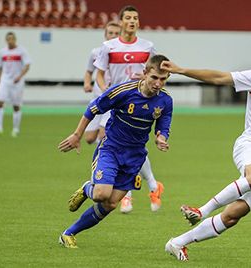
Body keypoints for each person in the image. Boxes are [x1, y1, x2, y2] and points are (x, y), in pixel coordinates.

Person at [58, 55, 173, 248]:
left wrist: (161, 138)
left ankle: (68, 233)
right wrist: (77, 134)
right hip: (111, 149)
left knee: (110, 204)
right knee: (101, 194)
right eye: (154, 77)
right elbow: (93, 108)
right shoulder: (124, 91)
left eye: (163, 79)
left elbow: (163, 125)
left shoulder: (165, 101)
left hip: (135, 157)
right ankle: (88, 188)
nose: (158, 83)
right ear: (145, 73)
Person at [161, 60, 251, 261]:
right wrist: (181, 69)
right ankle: (202, 210)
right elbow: (219, 77)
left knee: (234, 215)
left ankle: (177, 242)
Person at [94, 5, 163, 213]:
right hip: (116, 103)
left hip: (139, 104)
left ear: (138, 23)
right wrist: (105, 90)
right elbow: (99, 73)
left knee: (132, 147)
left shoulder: (148, 46)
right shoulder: (109, 46)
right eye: (128, 18)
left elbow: (155, 71)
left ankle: (136, 191)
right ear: (121, 21)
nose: (132, 21)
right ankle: (145, 187)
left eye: (135, 18)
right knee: (107, 141)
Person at [83, 21, 121, 145]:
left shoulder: (123, 54)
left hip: (112, 100)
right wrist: (87, 83)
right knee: (89, 139)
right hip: (97, 98)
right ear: (105, 35)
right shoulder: (96, 52)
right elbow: (89, 71)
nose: (113, 35)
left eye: (116, 33)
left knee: (103, 135)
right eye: (110, 33)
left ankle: (103, 158)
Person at [0, 32, 31, 137]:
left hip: (17, 82)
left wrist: (20, 76)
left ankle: (16, 129)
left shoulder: (21, 51)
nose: (10, 41)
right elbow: (0, 67)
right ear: (6, 40)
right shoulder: (2, 52)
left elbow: (27, 65)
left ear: (15, 39)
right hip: (5, 80)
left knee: (16, 106)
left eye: (12, 39)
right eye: (8, 39)